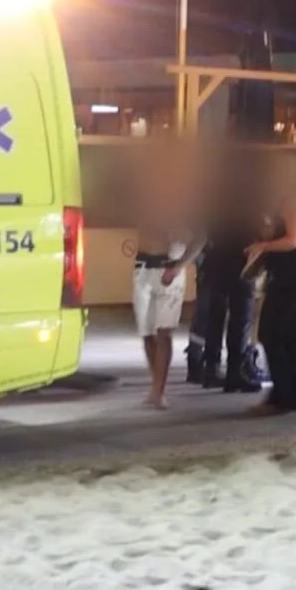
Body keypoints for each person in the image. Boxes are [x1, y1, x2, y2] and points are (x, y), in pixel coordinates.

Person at [245, 148, 296, 416]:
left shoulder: (292, 198)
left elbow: (294, 239)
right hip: (293, 272)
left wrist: (263, 244)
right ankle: (286, 395)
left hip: (291, 274)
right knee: (286, 336)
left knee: (271, 333)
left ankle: (283, 395)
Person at [131, 144, 201, 410]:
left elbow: (200, 237)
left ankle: (159, 390)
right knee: (147, 333)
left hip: (169, 269)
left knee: (164, 333)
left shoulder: (185, 200)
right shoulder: (145, 197)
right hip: (142, 267)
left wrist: (180, 264)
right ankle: (155, 384)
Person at [190, 152, 264, 392]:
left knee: (215, 316)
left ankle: (210, 367)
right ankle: (235, 371)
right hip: (241, 262)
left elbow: (203, 228)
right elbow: (260, 227)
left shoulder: (211, 196)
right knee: (240, 318)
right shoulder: (250, 200)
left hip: (214, 261)